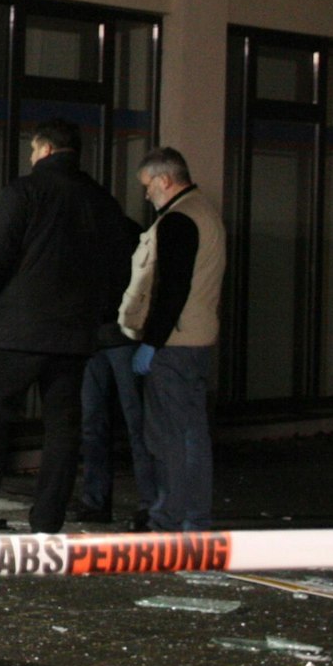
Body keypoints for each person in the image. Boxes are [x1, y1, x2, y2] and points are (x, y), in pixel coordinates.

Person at [0, 119, 127, 535]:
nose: (31, 157)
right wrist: (97, 314)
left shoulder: (24, 192)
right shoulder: (102, 202)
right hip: (74, 334)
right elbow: (119, 265)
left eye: (33, 149)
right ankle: (47, 521)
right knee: (63, 429)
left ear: (45, 149)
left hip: (19, 329)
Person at [119, 147, 226, 533]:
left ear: (165, 180)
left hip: (174, 345)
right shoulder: (206, 213)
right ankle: (193, 517)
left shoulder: (178, 220)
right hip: (197, 339)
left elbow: (171, 288)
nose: (146, 193)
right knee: (191, 433)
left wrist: (152, 342)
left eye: (148, 185)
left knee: (168, 437)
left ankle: (170, 516)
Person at [71, 213, 151, 529]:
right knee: (132, 423)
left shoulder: (84, 234)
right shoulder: (126, 232)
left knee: (101, 423)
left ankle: (100, 500)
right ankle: (146, 504)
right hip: (115, 336)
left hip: (105, 336)